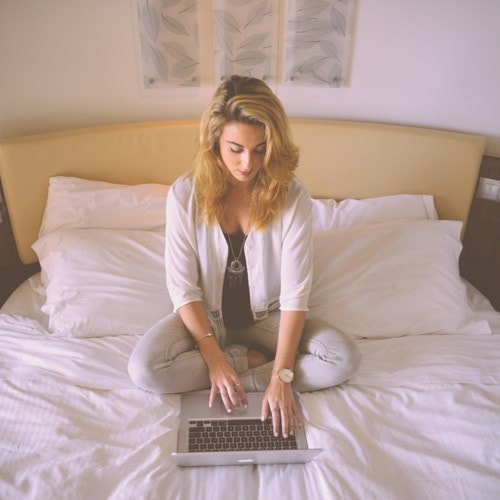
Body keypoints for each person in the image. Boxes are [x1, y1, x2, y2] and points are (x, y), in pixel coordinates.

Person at [128, 75, 361, 438]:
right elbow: (183, 287)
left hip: (270, 318)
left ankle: (256, 374)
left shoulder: (293, 197)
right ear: (214, 142)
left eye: (260, 149)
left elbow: (296, 296)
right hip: (206, 322)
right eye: (235, 149)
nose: (248, 163)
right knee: (145, 370)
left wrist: (282, 377)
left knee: (343, 358)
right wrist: (214, 357)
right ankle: (246, 363)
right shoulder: (184, 194)